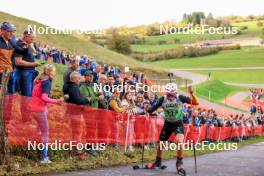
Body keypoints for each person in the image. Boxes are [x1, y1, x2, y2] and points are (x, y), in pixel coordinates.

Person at [145, 85, 198, 175]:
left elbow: (195, 103)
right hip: (168, 124)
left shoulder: (180, 97)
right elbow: (151, 110)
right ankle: (158, 161)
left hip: (178, 123)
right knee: (161, 143)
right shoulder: (163, 99)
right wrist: (147, 108)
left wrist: (192, 93)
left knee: (179, 142)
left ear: (175, 93)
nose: (170, 97)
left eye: (172, 95)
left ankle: (179, 163)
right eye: (169, 95)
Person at [29, 64, 63, 164]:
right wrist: (57, 101)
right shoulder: (46, 82)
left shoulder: (39, 80)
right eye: (53, 71)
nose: (55, 73)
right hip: (40, 110)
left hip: (33, 109)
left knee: (38, 131)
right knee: (45, 133)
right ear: (48, 72)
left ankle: (33, 153)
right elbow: (44, 98)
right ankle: (44, 158)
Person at [14, 29, 40, 96]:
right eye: (31, 39)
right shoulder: (20, 44)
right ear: (26, 36)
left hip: (28, 72)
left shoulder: (26, 44)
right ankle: (25, 106)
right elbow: (18, 62)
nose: (32, 41)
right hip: (24, 73)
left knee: (29, 95)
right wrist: (33, 64)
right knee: (26, 96)